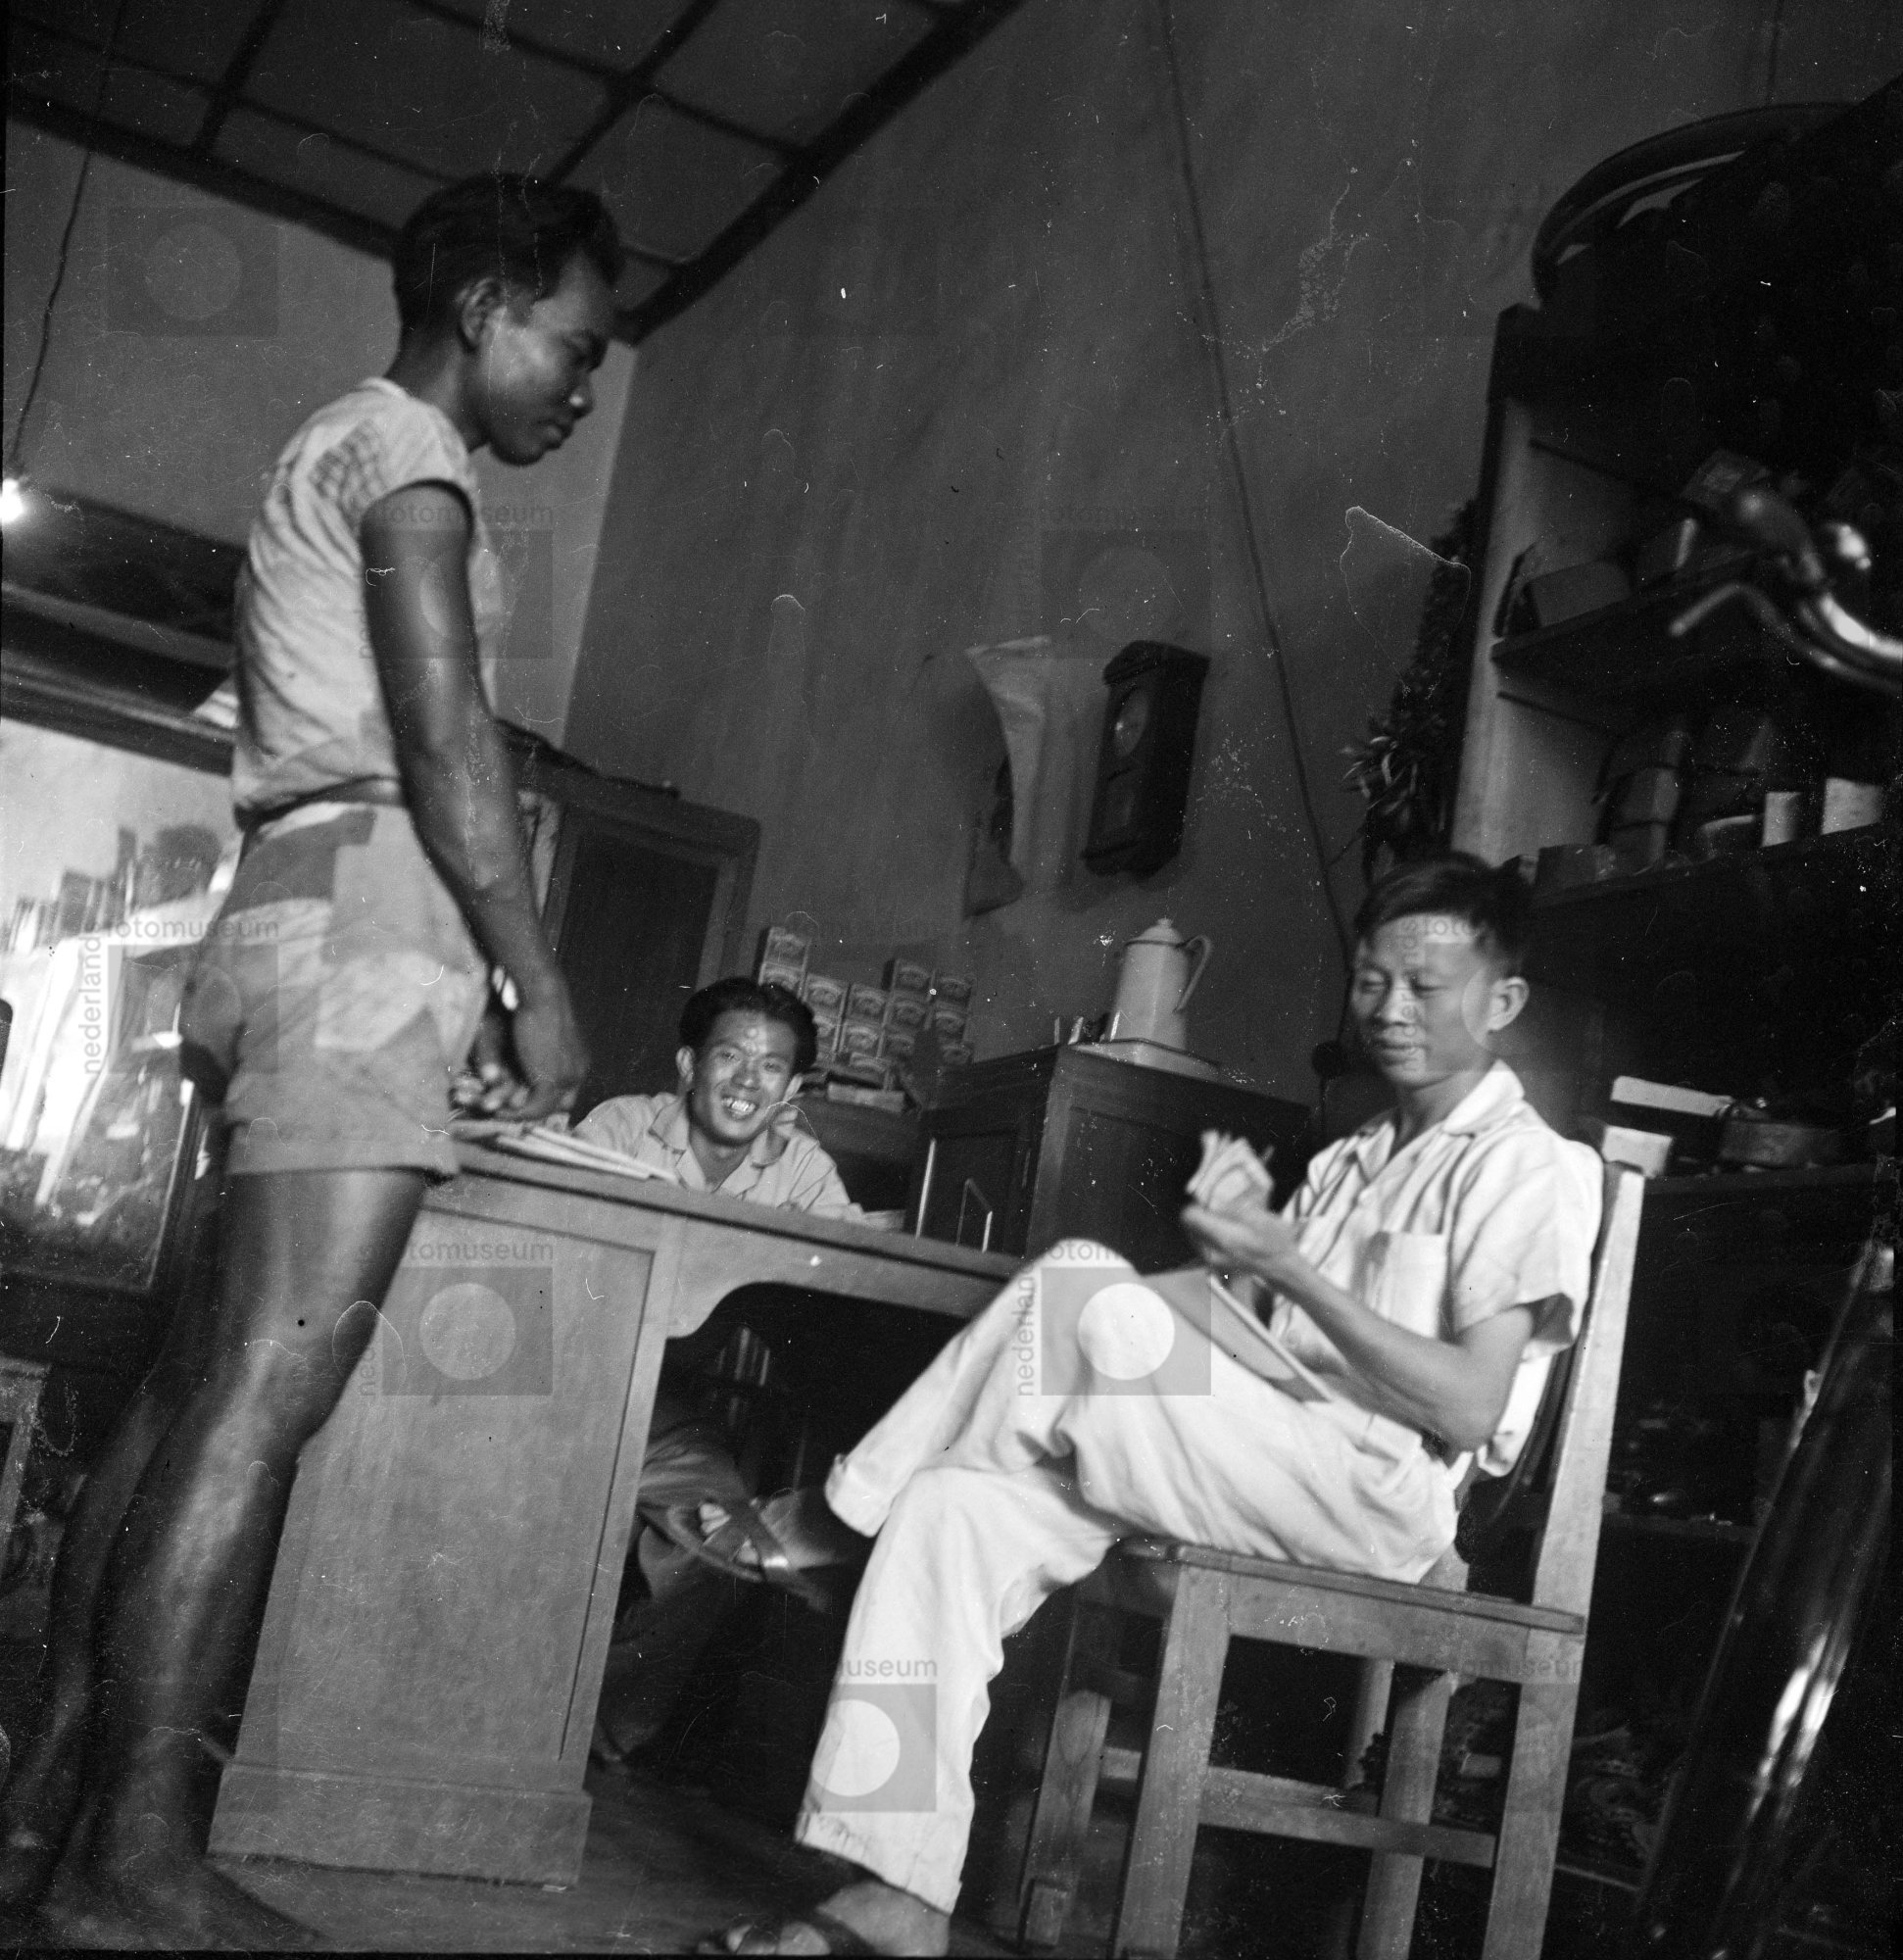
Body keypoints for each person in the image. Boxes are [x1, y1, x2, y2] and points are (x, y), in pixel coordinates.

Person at [0, 174, 620, 1949]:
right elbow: (444, 735)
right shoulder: (409, 458)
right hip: (364, 915)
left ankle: (43, 1819)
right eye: (571, 345)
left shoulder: (325, 444)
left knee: (190, 1395)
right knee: (264, 1402)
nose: (581, 387)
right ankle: (134, 1865)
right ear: (485, 306)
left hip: (283, 910)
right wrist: (532, 979)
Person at [704, 853, 1604, 1957]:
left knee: (1082, 1288)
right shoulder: (1355, 1160)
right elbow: (1245, 1334)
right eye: (1372, 981)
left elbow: (1468, 1406)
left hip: (1374, 1496)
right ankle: (895, 1889)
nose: (1390, 1009)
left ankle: (843, 1516)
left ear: (1502, 1001)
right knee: (949, 1508)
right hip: (1250, 1454)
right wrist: (1200, 1282)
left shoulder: (1529, 1165)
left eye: (1426, 986)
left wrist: (1277, 1273)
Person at [574, 976, 864, 1766]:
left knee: (725, 1534)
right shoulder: (620, 1127)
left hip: (660, 1417)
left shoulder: (799, 1168)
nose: (747, 1082)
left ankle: (597, 1736)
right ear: (688, 1064)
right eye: (729, 1057)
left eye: (771, 1067)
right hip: (567, 1385)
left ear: (791, 1089)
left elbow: (852, 1271)